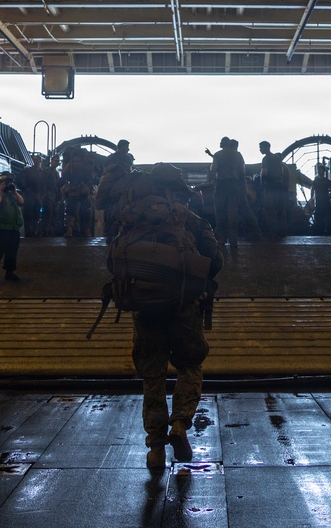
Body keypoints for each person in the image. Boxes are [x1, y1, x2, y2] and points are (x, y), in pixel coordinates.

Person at [106, 164, 223, 471]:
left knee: (153, 376)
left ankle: (155, 448)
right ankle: (180, 424)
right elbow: (215, 259)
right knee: (190, 364)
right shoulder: (188, 218)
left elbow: (112, 262)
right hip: (183, 305)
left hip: (144, 310)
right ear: (175, 190)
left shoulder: (129, 219)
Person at [210, 137, 261, 246]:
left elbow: (213, 169)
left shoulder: (217, 154)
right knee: (233, 214)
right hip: (235, 186)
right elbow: (242, 171)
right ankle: (234, 240)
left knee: (220, 212)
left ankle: (222, 238)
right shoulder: (238, 155)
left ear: (223, 144)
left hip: (222, 186)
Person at [258, 140, 288, 237]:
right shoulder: (277, 158)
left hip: (270, 186)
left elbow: (264, 173)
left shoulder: (266, 159)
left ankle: (273, 231)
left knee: (268, 208)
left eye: (261, 147)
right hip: (280, 186)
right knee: (280, 208)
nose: (260, 150)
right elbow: (283, 172)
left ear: (266, 148)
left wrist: (261, 184)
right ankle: (282, 230)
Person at [17, 154, 45, 236]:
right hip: (29, 195)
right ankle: (29, 232)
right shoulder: (27, 171)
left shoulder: (42, 173)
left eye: (37, 160)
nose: (36, 161)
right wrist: (24, 188)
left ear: (40, 161)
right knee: (28, 214)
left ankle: (34, 231)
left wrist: (42, 194)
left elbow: (45, 185)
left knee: (36, 214)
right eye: (35, 159)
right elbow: (18, 179)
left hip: (38, 195)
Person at [310, 163, 331, 234]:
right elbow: (312, 190)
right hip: (320, 201)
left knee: (326, 216)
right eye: (319, 170)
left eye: (321, 170)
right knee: (320, 216)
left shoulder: (326, 181)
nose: (320, 172)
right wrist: (312, 199)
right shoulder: (316, 181)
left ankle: (326, 230)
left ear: (323, 171)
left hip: (325, 200)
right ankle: (321, 230)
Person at [41, 154, 61, 236]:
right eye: (55, 161)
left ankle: (50, 231)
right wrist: (44, 195)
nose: (56, 163)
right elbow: (43, 183)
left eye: (57, 161)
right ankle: (45, 231)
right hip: (48, 196)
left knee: (54, 214)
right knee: (48, 214)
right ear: (51, 161)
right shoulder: (46, 171)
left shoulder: (56, 173)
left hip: (54, 196)